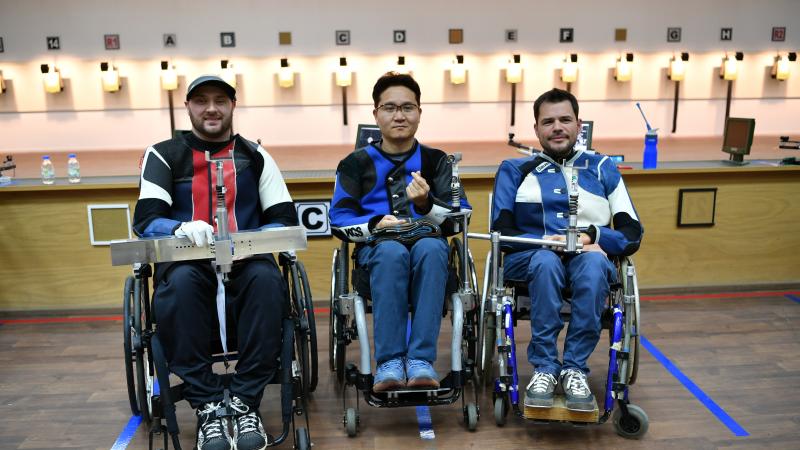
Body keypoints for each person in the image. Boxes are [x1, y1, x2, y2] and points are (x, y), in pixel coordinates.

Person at [133, 75, 299, 450]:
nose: (211, 108)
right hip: (185, 265)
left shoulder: (256, 156)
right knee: (182, 285)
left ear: (232, 106)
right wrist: (179, 227)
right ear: (188, 107)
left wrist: (251, 240)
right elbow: (145, 221)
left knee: (267, 280)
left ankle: (244, 401)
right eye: (202, 101)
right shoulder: (162, 154)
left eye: (220, 100)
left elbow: (284, 219)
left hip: (246, 261)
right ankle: (207, 403)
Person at [491, 88, 643, 412]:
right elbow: (499, 233)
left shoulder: (603, 168)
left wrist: (593, 235)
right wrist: (548, 242)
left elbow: (632, 233)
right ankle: (545, 368)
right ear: (536, 129)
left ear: (579, 125)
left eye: (565, 119)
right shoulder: (513, 170)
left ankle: (574, 368)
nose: (557, 127)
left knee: (592, 266)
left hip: (588, 258)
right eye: (548, 121)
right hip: (530, 260)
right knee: (546, 261)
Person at [329, 72, 471, 392]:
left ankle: (420, 360)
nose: (399, 115)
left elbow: (460, 220)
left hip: (428, 249)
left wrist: (425, 206)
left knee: (433, 249)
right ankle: (390, 362)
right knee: (392, 251)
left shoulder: (437, 161)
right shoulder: (354, 164)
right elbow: (338, 221)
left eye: (408, 107)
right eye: (390, 107)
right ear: (376, 114)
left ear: (419, 112)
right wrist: (374, 224)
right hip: (377, 252)